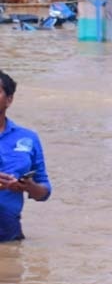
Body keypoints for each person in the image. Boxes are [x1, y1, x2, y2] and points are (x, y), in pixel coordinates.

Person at [0, 71, 51, 242]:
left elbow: (44, 193)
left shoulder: (28, 138)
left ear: (9, 99)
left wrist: (28, 186)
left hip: (9, 233)